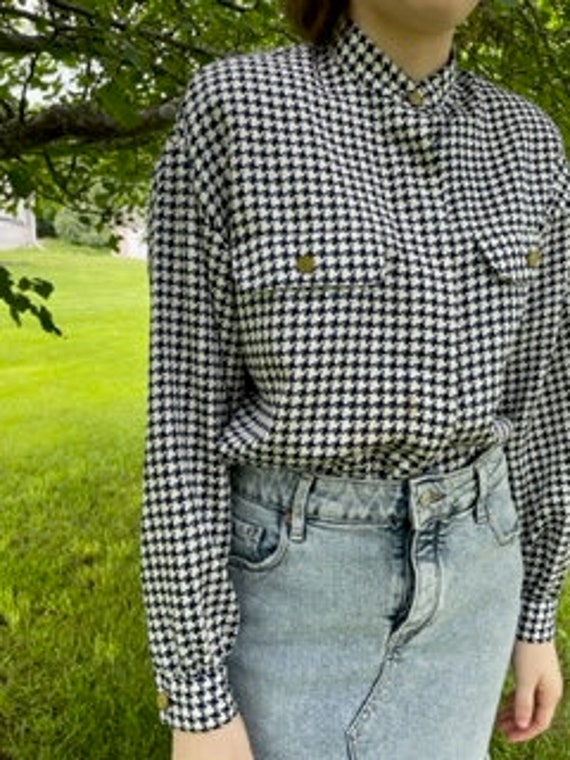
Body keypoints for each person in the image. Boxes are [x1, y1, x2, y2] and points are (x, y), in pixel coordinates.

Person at [141, 0, 569, 757]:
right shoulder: (239, 110)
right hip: (292, 594)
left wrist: (536, 617)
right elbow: (182, 420)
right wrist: (197, 697)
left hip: (479, 576)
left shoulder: (529, 140)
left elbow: (543, 402)